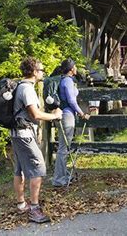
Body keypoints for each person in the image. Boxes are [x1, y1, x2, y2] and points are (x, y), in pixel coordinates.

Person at [11, 57, 62, 223]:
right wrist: (54, 116)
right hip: (24, 135)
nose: (42, 73)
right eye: (41, 70)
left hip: (16, 134)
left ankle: (21, 205)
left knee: (20, 169)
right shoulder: (27, 89)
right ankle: (34, 208)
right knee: (38, 167)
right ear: (33, 71)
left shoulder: (19, 86)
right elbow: (36, 114)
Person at [52, 58, 90, 187]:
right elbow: (72, 101)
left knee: (64, 147)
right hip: (67, 116)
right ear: (71, 69)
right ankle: (59, 179)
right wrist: (81, 113)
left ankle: (63, 175)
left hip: (64, 115)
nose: (76, 68)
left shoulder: (65, 80)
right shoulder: (67, 81)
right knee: (64, 148)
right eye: (75, 66)